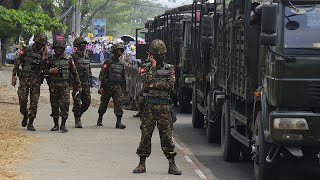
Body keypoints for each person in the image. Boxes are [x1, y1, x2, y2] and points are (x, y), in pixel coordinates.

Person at [132, 39, 181, 175]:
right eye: (156, 55)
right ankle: (142, 164)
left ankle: (172, 164)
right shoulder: (146, 68)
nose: (160, 57)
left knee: (166, 137)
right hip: (149, 108)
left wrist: (154, 83)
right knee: (145, 136)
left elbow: (170, 85)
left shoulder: (169, 68)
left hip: (164, 108)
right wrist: (153, 68)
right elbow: (146, 82)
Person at [11, 32, 48, 131]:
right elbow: (17, 62)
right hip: (24, 79)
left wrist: (45, 57)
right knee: (22, 100)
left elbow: (46, 68)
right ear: (35, 42)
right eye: (39, 43)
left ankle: (31, 122)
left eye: (42, 44)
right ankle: (25, 114)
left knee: (34, 103)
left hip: (36, 81)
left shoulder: (44, 53)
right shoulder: (26, 50)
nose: (40, 46)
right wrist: (13, 76)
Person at [45, 39, 81, 133]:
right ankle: (56, 124)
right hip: (53, 85)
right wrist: (50, 71)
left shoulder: (69, 59)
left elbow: (74, 72)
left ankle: (63, 124)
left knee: (65, 105)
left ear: (63, 49)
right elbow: (43, 71)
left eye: (60, 48)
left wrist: (78, 84)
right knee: (54, 105)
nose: (58, 50)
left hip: (65, 85)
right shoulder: (50, 59)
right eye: (56, 48)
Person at [97, 43, 126, 129]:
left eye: (120, 51)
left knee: (119, 104)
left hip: (117, 87)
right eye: (117, 51)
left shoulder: (121, 64)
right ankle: (100, 118)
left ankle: (118, 122)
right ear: (114, 52)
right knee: (103, 104)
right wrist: (101, 87)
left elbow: (123, 77)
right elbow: (102, 74)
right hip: (107, 86)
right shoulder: (108, 62)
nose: (119, 53)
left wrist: (124, 89)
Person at [72, 37, 92, 128]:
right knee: (77, 102)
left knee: (87, 102)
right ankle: (77, 119)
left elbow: (89, 69)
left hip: (86, 83)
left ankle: (78, 113)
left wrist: (91, 81)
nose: (83, 46)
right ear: (77, 46)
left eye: (84, 44)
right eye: (81, 44)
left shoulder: (87, 57)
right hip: (77, 83)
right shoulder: (73, 57)